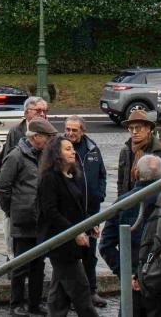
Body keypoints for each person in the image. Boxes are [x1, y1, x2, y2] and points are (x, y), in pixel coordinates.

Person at [101, 155, 161, 317]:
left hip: (133, 281)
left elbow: (106, 245)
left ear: (135, 173)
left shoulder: (122, 203)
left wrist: (128, 274)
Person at [36, 134, 101, 317]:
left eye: (72, 148)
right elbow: (51, 212)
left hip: (71, 240)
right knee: (81, 289)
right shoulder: (50, 178)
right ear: (57, 154)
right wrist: (74, 233)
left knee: (59, 295)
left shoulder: (71, 175)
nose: (72, 151)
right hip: (59, 241)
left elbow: (77, 208)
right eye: (67, 149)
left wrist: (89, 224)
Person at [0, 118, 55, 316]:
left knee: (39, 264)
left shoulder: (43, 155)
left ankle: (35, 303)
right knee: (20, 265)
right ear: (36, 137)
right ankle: (16, 304)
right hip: (23, 217)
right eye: (47, 137)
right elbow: (3, 185)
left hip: (40, 219)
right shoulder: (16, 156)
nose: (49, 141)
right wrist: (11, 210)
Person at [62, 117, 110, 309]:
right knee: (73, 254)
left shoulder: (92, 149)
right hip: (72, 212)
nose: (71, 133)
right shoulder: (62, 149)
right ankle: (73, 296)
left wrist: (100, 193)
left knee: (90, 253)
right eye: (68, 129)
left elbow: (102, 174)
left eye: (75, 130)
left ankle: (91, 291)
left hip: (92, 211)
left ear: (83, 131)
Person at [118, 107, 161, 194]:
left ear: (148, 129)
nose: (134, 132)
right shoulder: (125, 151)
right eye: (131, 128)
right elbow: (121, 182)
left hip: (151, 202)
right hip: (128, 202)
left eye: (138, 128)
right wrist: (121, 202)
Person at [0, 97, 51, 161]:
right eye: (38, 111)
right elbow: (7, 158)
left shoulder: (50, 131)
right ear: (26, 113)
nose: (42, 114)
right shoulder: (15, 131)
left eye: (45, 111)